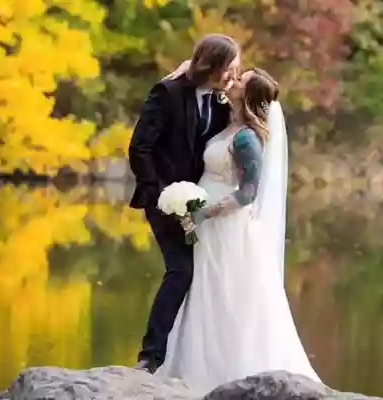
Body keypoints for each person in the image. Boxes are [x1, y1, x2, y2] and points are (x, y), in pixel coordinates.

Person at [152, 66, 321, 394]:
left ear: (249, 95)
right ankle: (189, 368)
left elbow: (248, 193)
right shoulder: (228, 125)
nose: (233, 80)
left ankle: (225, 374)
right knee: (201, 291)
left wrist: (205, 213)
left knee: (223, 294)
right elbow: (193, 93)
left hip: (226, 228)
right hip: (206, 224)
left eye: (240, 80)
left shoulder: (246, 138)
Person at [128, 34, 240, 374]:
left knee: (206, 273)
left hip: (201, 205)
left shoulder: (222, 101)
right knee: (181, 270)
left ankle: (204, 359)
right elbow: (139, 148)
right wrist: (159, 195)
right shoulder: (168, 92)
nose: (233, 75)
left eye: (236, 69)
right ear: (212, 65)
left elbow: (257, 95)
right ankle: (151, 357)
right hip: (163, 200)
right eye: (229, 68)